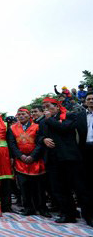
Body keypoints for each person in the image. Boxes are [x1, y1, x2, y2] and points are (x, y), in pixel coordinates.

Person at [39, 97, 92, 226]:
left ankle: (89, 215)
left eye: (48, 106)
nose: (46, 110)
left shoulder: (69, 116)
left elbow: (64, 129)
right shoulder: (43, 121)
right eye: (44, 107)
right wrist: (43, 140)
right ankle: (67, 214)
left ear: (56, 107)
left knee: (79, 187)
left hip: (70, 158)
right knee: (59, 188)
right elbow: (39, 136)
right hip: (53, 159)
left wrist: (49, 119)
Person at [7, 108, 50, 217]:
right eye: (19, 114)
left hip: (35, 160)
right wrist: (21, 156)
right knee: (24, 187)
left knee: (39, 187)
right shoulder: (12, 128)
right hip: (21, 161)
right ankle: (28, 208)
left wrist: (32, 156)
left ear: (28, 115)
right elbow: (12, 144)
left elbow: (40, 142)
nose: (21, 116)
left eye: (23, 114)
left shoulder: (37, 126)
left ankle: (42, 208)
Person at [77, 92, 93, 191]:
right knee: (88, 177)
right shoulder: (80, 116)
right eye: (88, 99)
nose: (91, 101)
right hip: (85, 149)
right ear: (85, 102)